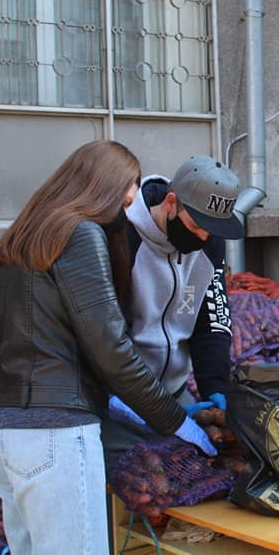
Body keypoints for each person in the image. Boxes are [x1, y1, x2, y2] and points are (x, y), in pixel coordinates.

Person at [0, 141, 217, 555]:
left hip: (7, 434)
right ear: (102, 191)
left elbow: (56, 351)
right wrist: (180, 423)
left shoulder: (25, 237)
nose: (122, 216)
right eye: (123, 202)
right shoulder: (81, 233)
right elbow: (112, 352)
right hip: (58, 437)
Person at [101, 155, 244, 471]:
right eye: (196, 226)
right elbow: (110, 339)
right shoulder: (123, 238)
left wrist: (217, 387)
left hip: (177, 395)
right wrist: (157, 411)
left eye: (212, 230)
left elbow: (213, 321)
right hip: (122, 401)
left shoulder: (209, 245)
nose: (203, 237)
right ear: (170, 202)